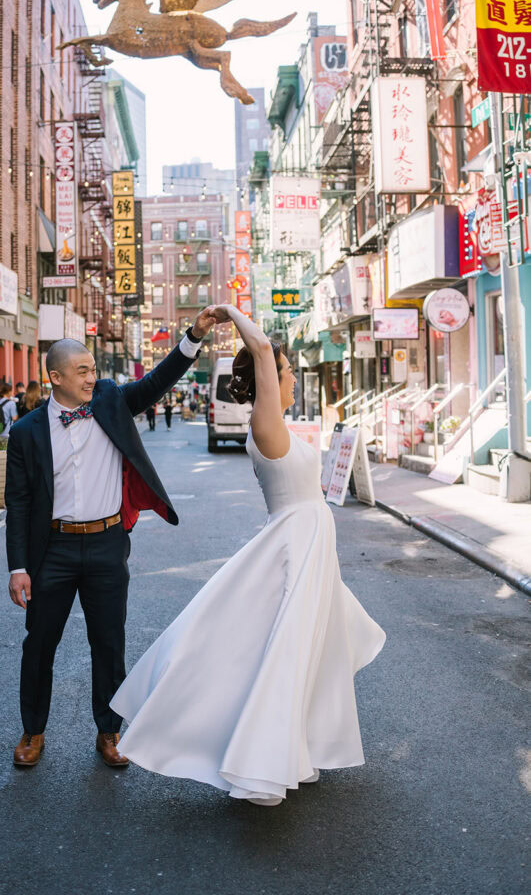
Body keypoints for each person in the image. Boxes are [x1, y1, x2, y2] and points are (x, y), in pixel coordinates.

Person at [111, 304, 385, 806]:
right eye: (286, 373)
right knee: (286, 654)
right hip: (294, 549)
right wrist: (229, 313)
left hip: (307, 546)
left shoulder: (277, 423)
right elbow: (260, 347)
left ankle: (292, 750)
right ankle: (262, 763)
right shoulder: (265, 423)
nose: (294, 381)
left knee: (304, 652)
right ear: (267, 377)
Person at [4, 308, 217, 770]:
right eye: (81, 371)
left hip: (105, 543)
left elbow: (157, 382)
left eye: (93, 370)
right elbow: (18, 504)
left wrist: (194, 335)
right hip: (52, 551)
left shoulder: (109, 402)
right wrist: (18, 567)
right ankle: (33, 731)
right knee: (39, 644)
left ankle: (109, 731)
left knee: (109, 643)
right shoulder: (25, 434)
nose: (90, 377)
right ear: (54, 377)